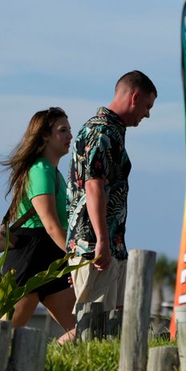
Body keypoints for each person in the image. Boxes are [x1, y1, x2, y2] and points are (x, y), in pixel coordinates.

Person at [67, 70, 157, 311]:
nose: (147, 114)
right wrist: (102, 241)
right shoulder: (102, 131)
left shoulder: (110, 131)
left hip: (107, 247)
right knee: (94, 323)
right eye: (147, 106)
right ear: (135, 97)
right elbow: (93, 185)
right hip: (95, 247)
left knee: (111, 323)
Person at [0, 107, 78, 335]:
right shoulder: (40, 170)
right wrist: (76, 259)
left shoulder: (54, 172)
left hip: (51, 256)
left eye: (69, 130)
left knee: (82, 331)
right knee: (4, 335)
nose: (70, 136)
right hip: (30, 255)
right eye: (63, 130)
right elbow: (51, 225)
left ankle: (50, 358)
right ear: (45, 135)